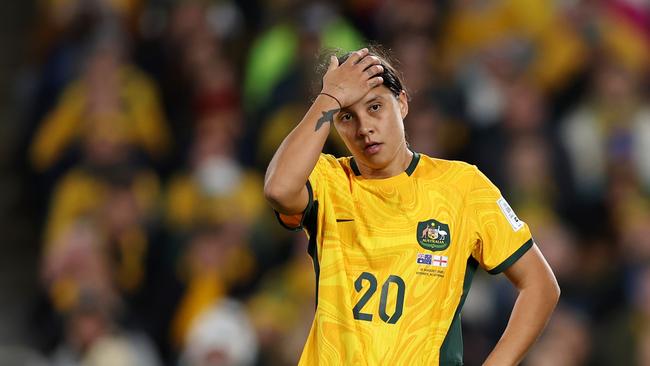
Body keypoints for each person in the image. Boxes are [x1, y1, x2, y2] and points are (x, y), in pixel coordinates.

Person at [263, 46, 560, 365]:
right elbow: (278, 189)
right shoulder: (328, 179)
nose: (364, 128)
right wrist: (330, 96)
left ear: (402, 103)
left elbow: (540, 285)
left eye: (375, 107)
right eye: (347, 117)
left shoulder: (462, 186)